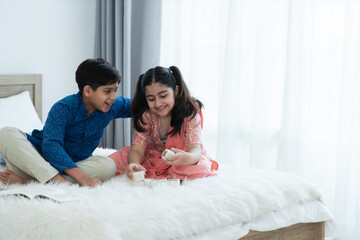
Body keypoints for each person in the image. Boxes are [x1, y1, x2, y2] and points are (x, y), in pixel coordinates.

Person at [0, 58, 132, 187]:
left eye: (115, 90)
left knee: (108, 166)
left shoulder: (113, 105)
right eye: (107, 91)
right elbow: (51, 146)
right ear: (87, 91)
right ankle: (57, 181)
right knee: (6, 133)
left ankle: (30, 182)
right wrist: (83, 178)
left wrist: (150, 89)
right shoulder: (63, 108)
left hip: (74, 165)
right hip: (36, 159)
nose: (113, 97)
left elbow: (138, 106)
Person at [109, 66, 218, 181]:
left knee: (198, 167)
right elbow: (137, 149)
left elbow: (195, 150)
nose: (158, 103)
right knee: (120, 159)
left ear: (175, 91)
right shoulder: (147, 115)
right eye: (151, 99)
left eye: (163, 96)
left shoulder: (190, 113)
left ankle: (173, 171)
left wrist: (187, 158)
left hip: (184, 157)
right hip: (156, 156)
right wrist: (134, 164)